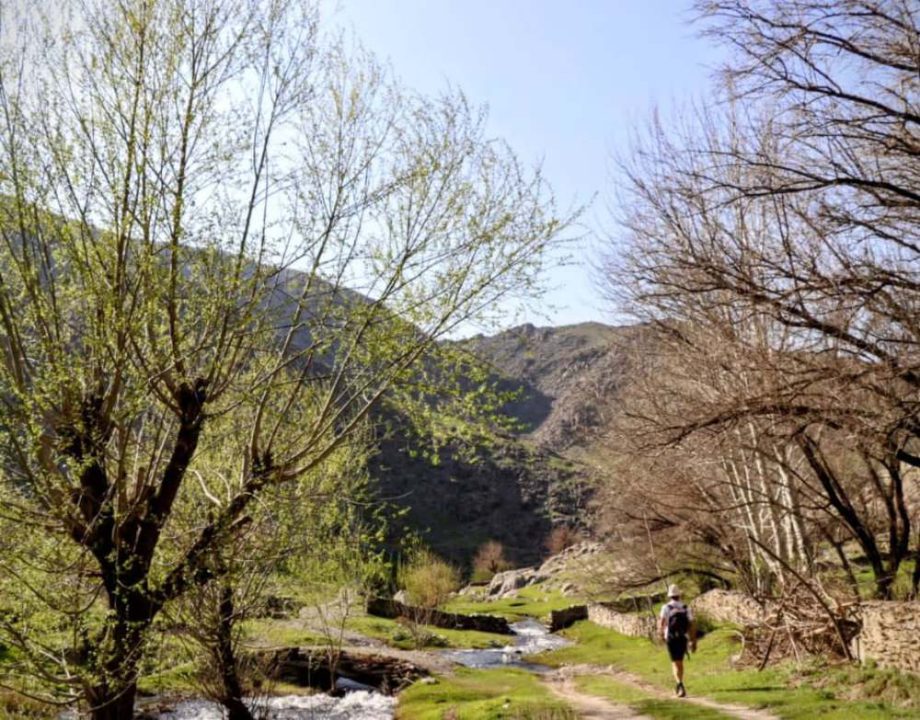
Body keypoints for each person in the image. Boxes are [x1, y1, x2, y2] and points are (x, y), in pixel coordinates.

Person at [658, 584, 697, 697]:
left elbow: (662, 623)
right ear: (679, 595)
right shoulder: (685, 607)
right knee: (680, 662)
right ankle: (679, 683)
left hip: (671, 638)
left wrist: (661, 635)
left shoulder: (666, 607)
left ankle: (680, 684)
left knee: (674, 662)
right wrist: (693, 640)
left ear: (669, 596)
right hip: (682, 637)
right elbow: (692, 624)